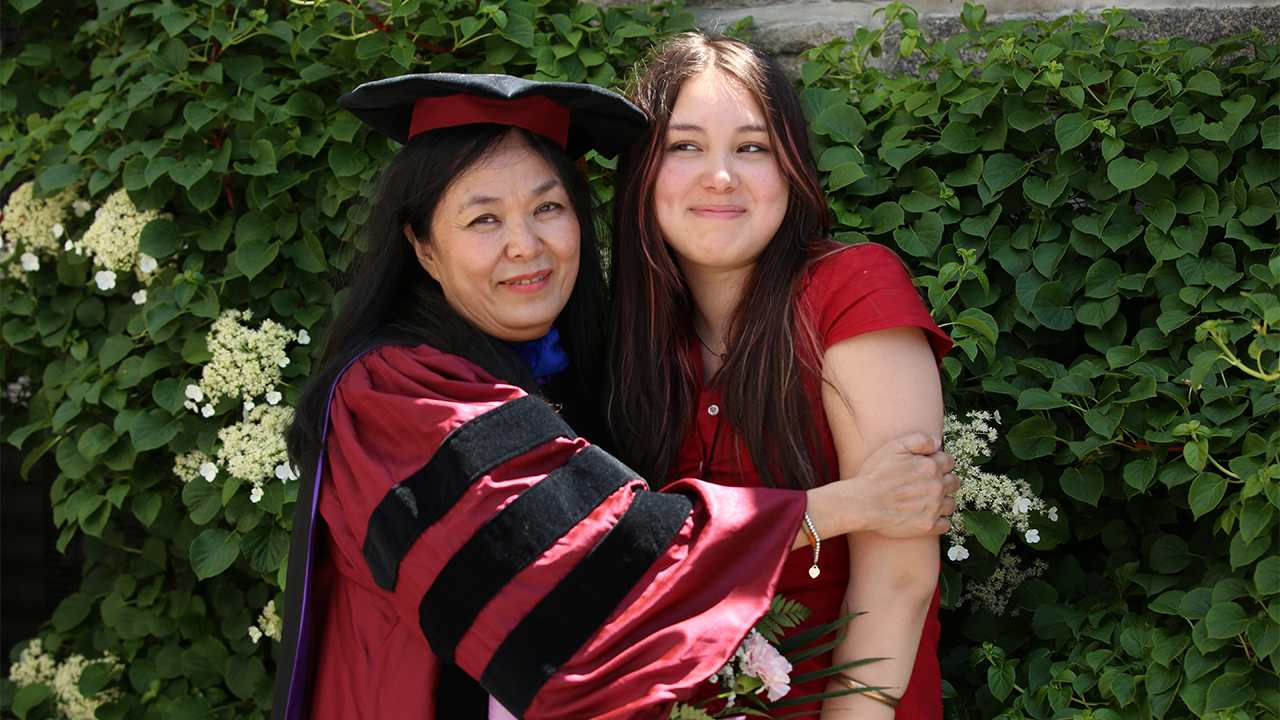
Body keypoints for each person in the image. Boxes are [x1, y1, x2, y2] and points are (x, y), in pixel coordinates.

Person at [272, 72, 959, 720]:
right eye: (484, 220)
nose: (526, 246)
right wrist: (852, 504)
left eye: (549, 208)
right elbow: (585, 571)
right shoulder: (399, 390)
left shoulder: (574, 367)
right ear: (422, 247)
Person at [608, 34, 952, 719]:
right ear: (642, 172)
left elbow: (900, 581)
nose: (721, 176)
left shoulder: (850, 292)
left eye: (752, 146)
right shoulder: (626, 334)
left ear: (790, 166)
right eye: (684, 146)